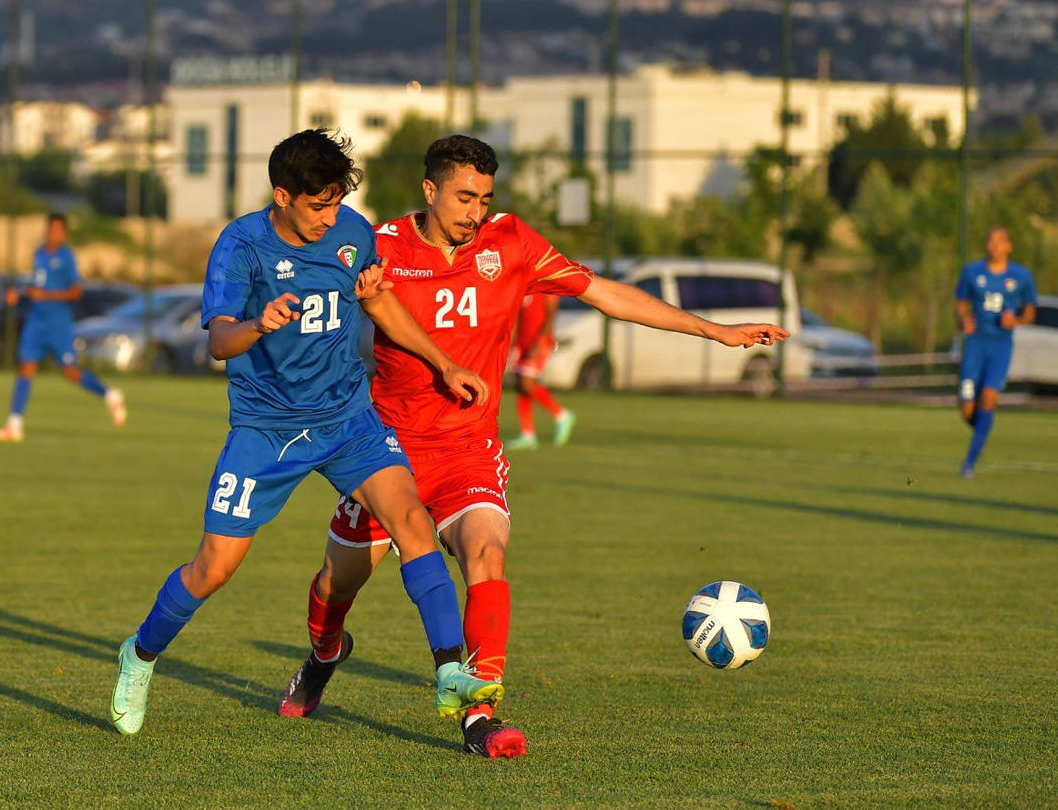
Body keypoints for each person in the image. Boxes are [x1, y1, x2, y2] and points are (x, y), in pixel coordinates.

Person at [278, 134, 790, 758]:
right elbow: (306, 270)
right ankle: (324, 655)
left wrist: (711, 330)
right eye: (464, 197)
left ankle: (480, 714)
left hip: (468, 448)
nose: (476, 212)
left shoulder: (511, 242)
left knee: (485, 555)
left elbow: (603, 293)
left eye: (485, 199)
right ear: (429, 190)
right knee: (336, 584)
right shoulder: (379, 244)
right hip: (387, 450)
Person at [108, 129, 503, 736]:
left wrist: (442, 362)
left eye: (337, 202)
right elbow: (217, 342)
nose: (331, 217)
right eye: (318, 205)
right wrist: (256, 324)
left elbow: (379, 303)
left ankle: (450, 671)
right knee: (213, 569)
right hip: (268, 430)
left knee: (413, 523)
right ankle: (140, 654)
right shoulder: (242, 244)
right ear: (282, 196)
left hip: (348, 418)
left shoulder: (352, 232)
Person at [0, 213, 125, 442]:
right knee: (26, 367)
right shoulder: (39, 253)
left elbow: (76, 291)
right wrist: (21, 294)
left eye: (57, 230)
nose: (52, 234)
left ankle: (109, 394)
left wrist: (45, 295)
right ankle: (15, 425)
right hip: (36, 320)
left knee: (70, 372)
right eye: (49, 229)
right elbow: (37, 287)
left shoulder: (66, 257)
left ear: (64, 234)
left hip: (58, 323)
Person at [955, 227, 1037, 478]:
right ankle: (982, 431)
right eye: (990, 240)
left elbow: (1030, 313)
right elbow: (960, 306)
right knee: (968, 409)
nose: (994, 245)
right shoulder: (972, 272)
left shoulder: (1021, 276)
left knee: (989, 399)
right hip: (975, 346)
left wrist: (1016, 320)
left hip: (1001, 347)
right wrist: (962, 321)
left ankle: (969, 463)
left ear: (1008, 246)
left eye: (999, 241)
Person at [504, 292, 574, 449]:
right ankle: (527, 435)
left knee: (526, 383)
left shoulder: (545, 285)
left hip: (538, 341)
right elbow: (519, 313)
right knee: (520, 386)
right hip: (523, 340)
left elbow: (551, 312)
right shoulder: (525, 284)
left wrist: (542, 340)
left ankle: (562, 414)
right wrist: (513, 338)